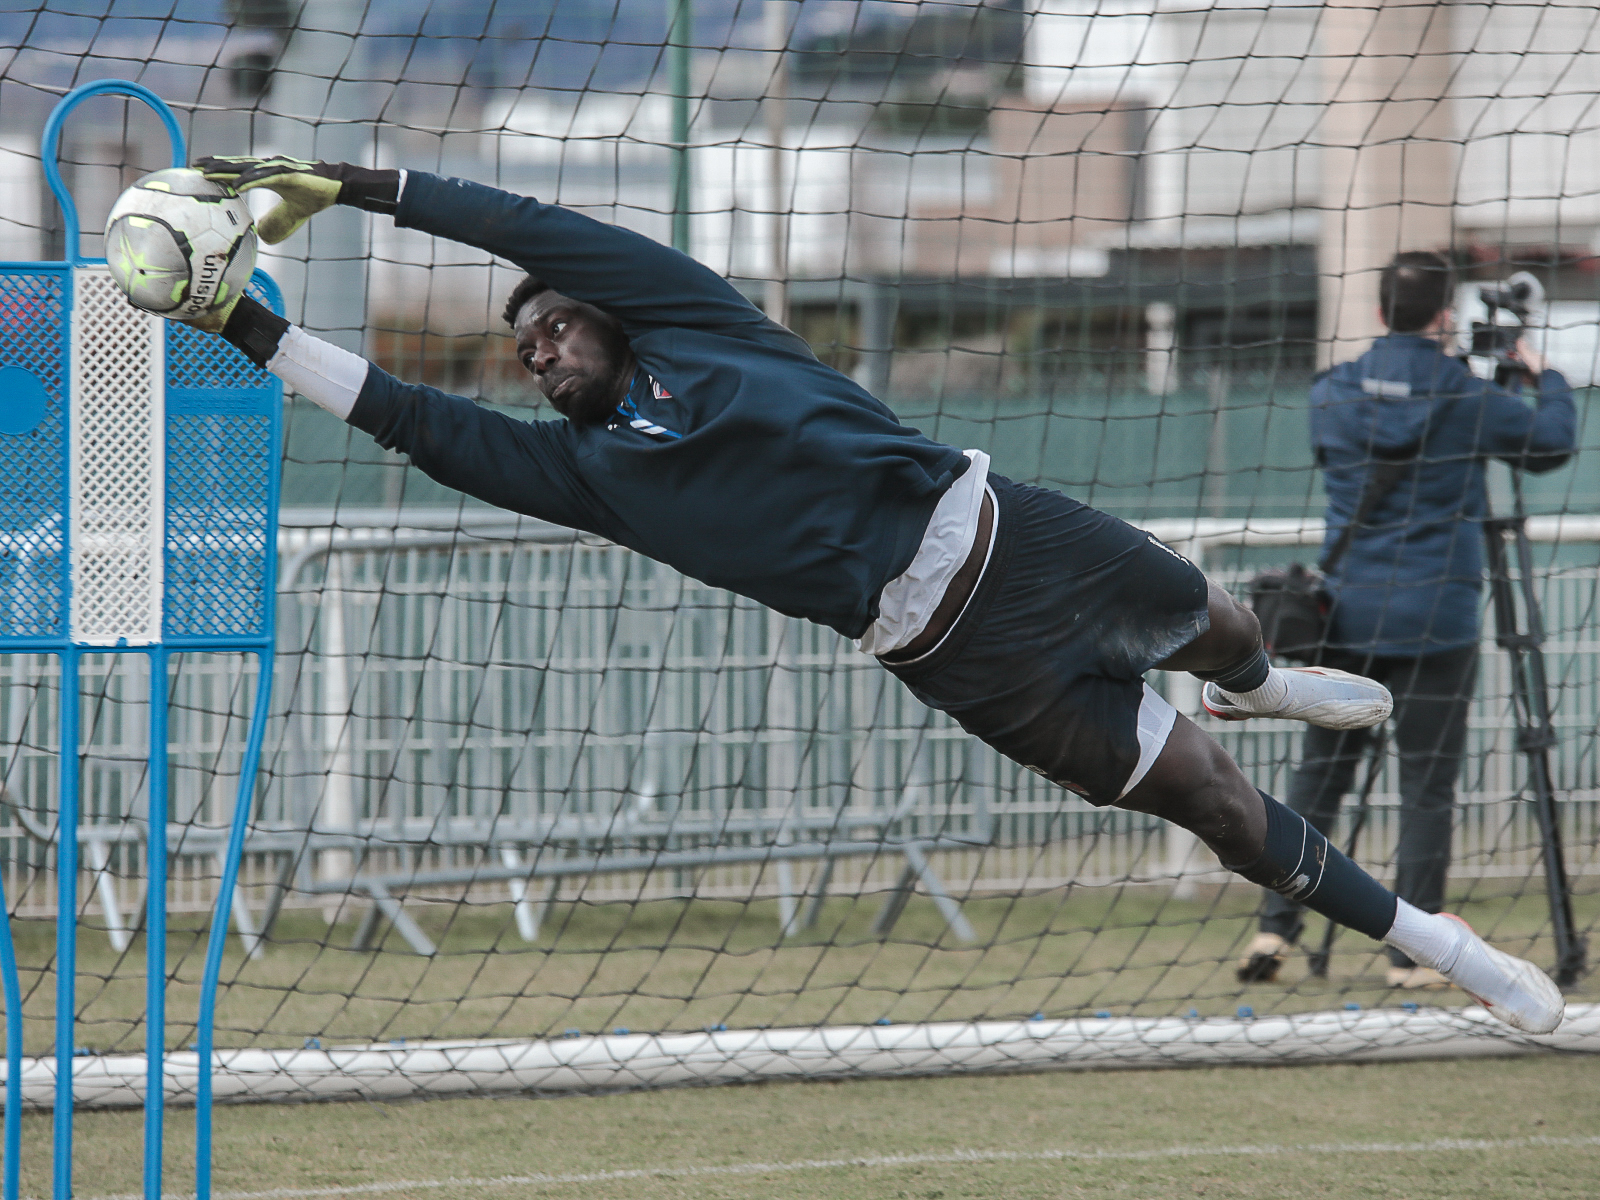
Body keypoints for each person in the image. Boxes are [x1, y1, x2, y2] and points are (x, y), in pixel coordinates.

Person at [175, 156, 1563, 1033]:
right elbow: (413, 421)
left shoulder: (699, 320)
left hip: (1011, 536)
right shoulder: (588, 474)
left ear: (607, 313)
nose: (537, 350)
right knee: (1217, 809)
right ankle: (1444, 947)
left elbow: (524, 223)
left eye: (551, 323)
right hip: (955, 657)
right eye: (521, 348)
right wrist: (242, 319)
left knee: (1227, 628)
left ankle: (1258, 684)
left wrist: (344, 185)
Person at [1235, 251, 1577, 989]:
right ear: (1446, 315)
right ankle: (1412, 957)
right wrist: (1541, 373)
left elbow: (1335, 454)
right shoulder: (1465, 396)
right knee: (1426, 790)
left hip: (1346, 617)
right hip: (1437, 617)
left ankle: (1273, 927)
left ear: (1380, 310)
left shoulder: (1332, 391)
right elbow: (1550, 444)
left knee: (1320, 779)